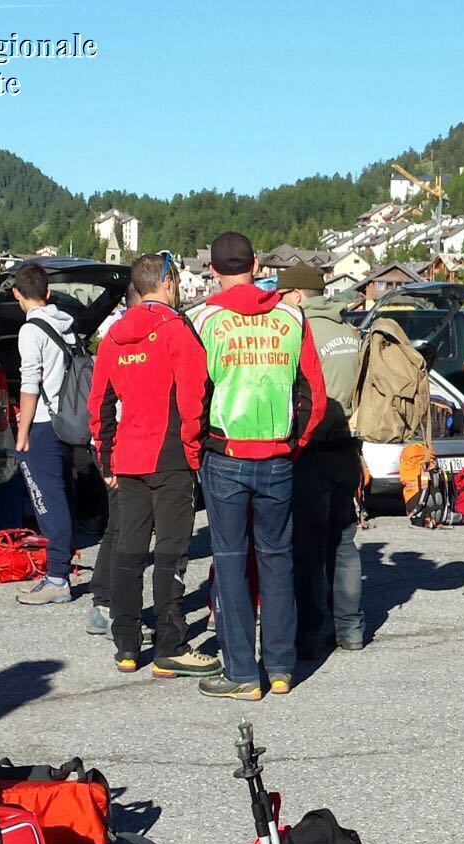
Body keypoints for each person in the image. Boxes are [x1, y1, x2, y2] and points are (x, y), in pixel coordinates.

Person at [188, 233, 325, 701]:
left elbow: (191, 397)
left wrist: (193, 450)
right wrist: (294, 442)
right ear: (258, 263)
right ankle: (283, 669)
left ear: (212, 271)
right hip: (277, 456)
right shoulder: (291, 315)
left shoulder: (203, 319)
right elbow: (314, 396)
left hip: (225, 454)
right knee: (277, 560)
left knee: (229, 564)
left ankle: (243, 672)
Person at [88, 252, 219, 678]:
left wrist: (106, 457)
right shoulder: (176, 329)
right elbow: (195, 393)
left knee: (128, 551)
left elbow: (100, 405)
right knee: (171, 553)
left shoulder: (112, 335)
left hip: (129, 455)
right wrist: (194, 449)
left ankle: (126, 645)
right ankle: (171, 645)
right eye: (176, 281)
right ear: (166, 282)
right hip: (171, 456)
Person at [277, 263, 366, 658]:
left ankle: (309, 635)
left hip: (310, 448)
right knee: (344, 541)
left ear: (297, 295)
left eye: (283, 295)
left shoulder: (300, 331)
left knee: (309, 547)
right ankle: (351, 629)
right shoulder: (350, 333)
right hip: (348, 446)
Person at [11, 261, 78, 605]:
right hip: (67, 422)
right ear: (48, 293)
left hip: (41, 423)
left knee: (47, 501)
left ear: (17, 294)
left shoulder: (30, 330)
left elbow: (29, 383)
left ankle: (57, 577)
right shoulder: (67, 325)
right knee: (60, 496)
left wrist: (21, 433)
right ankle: (59, 569)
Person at [86, 283, 140, 638]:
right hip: (118, 443)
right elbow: (104, 402)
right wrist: (109, 458)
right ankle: (104, 605)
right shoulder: (123, 339)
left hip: (115, 441)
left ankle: (104, 601)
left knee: (119, 526)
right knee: (121, 527)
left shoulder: (114, 335)